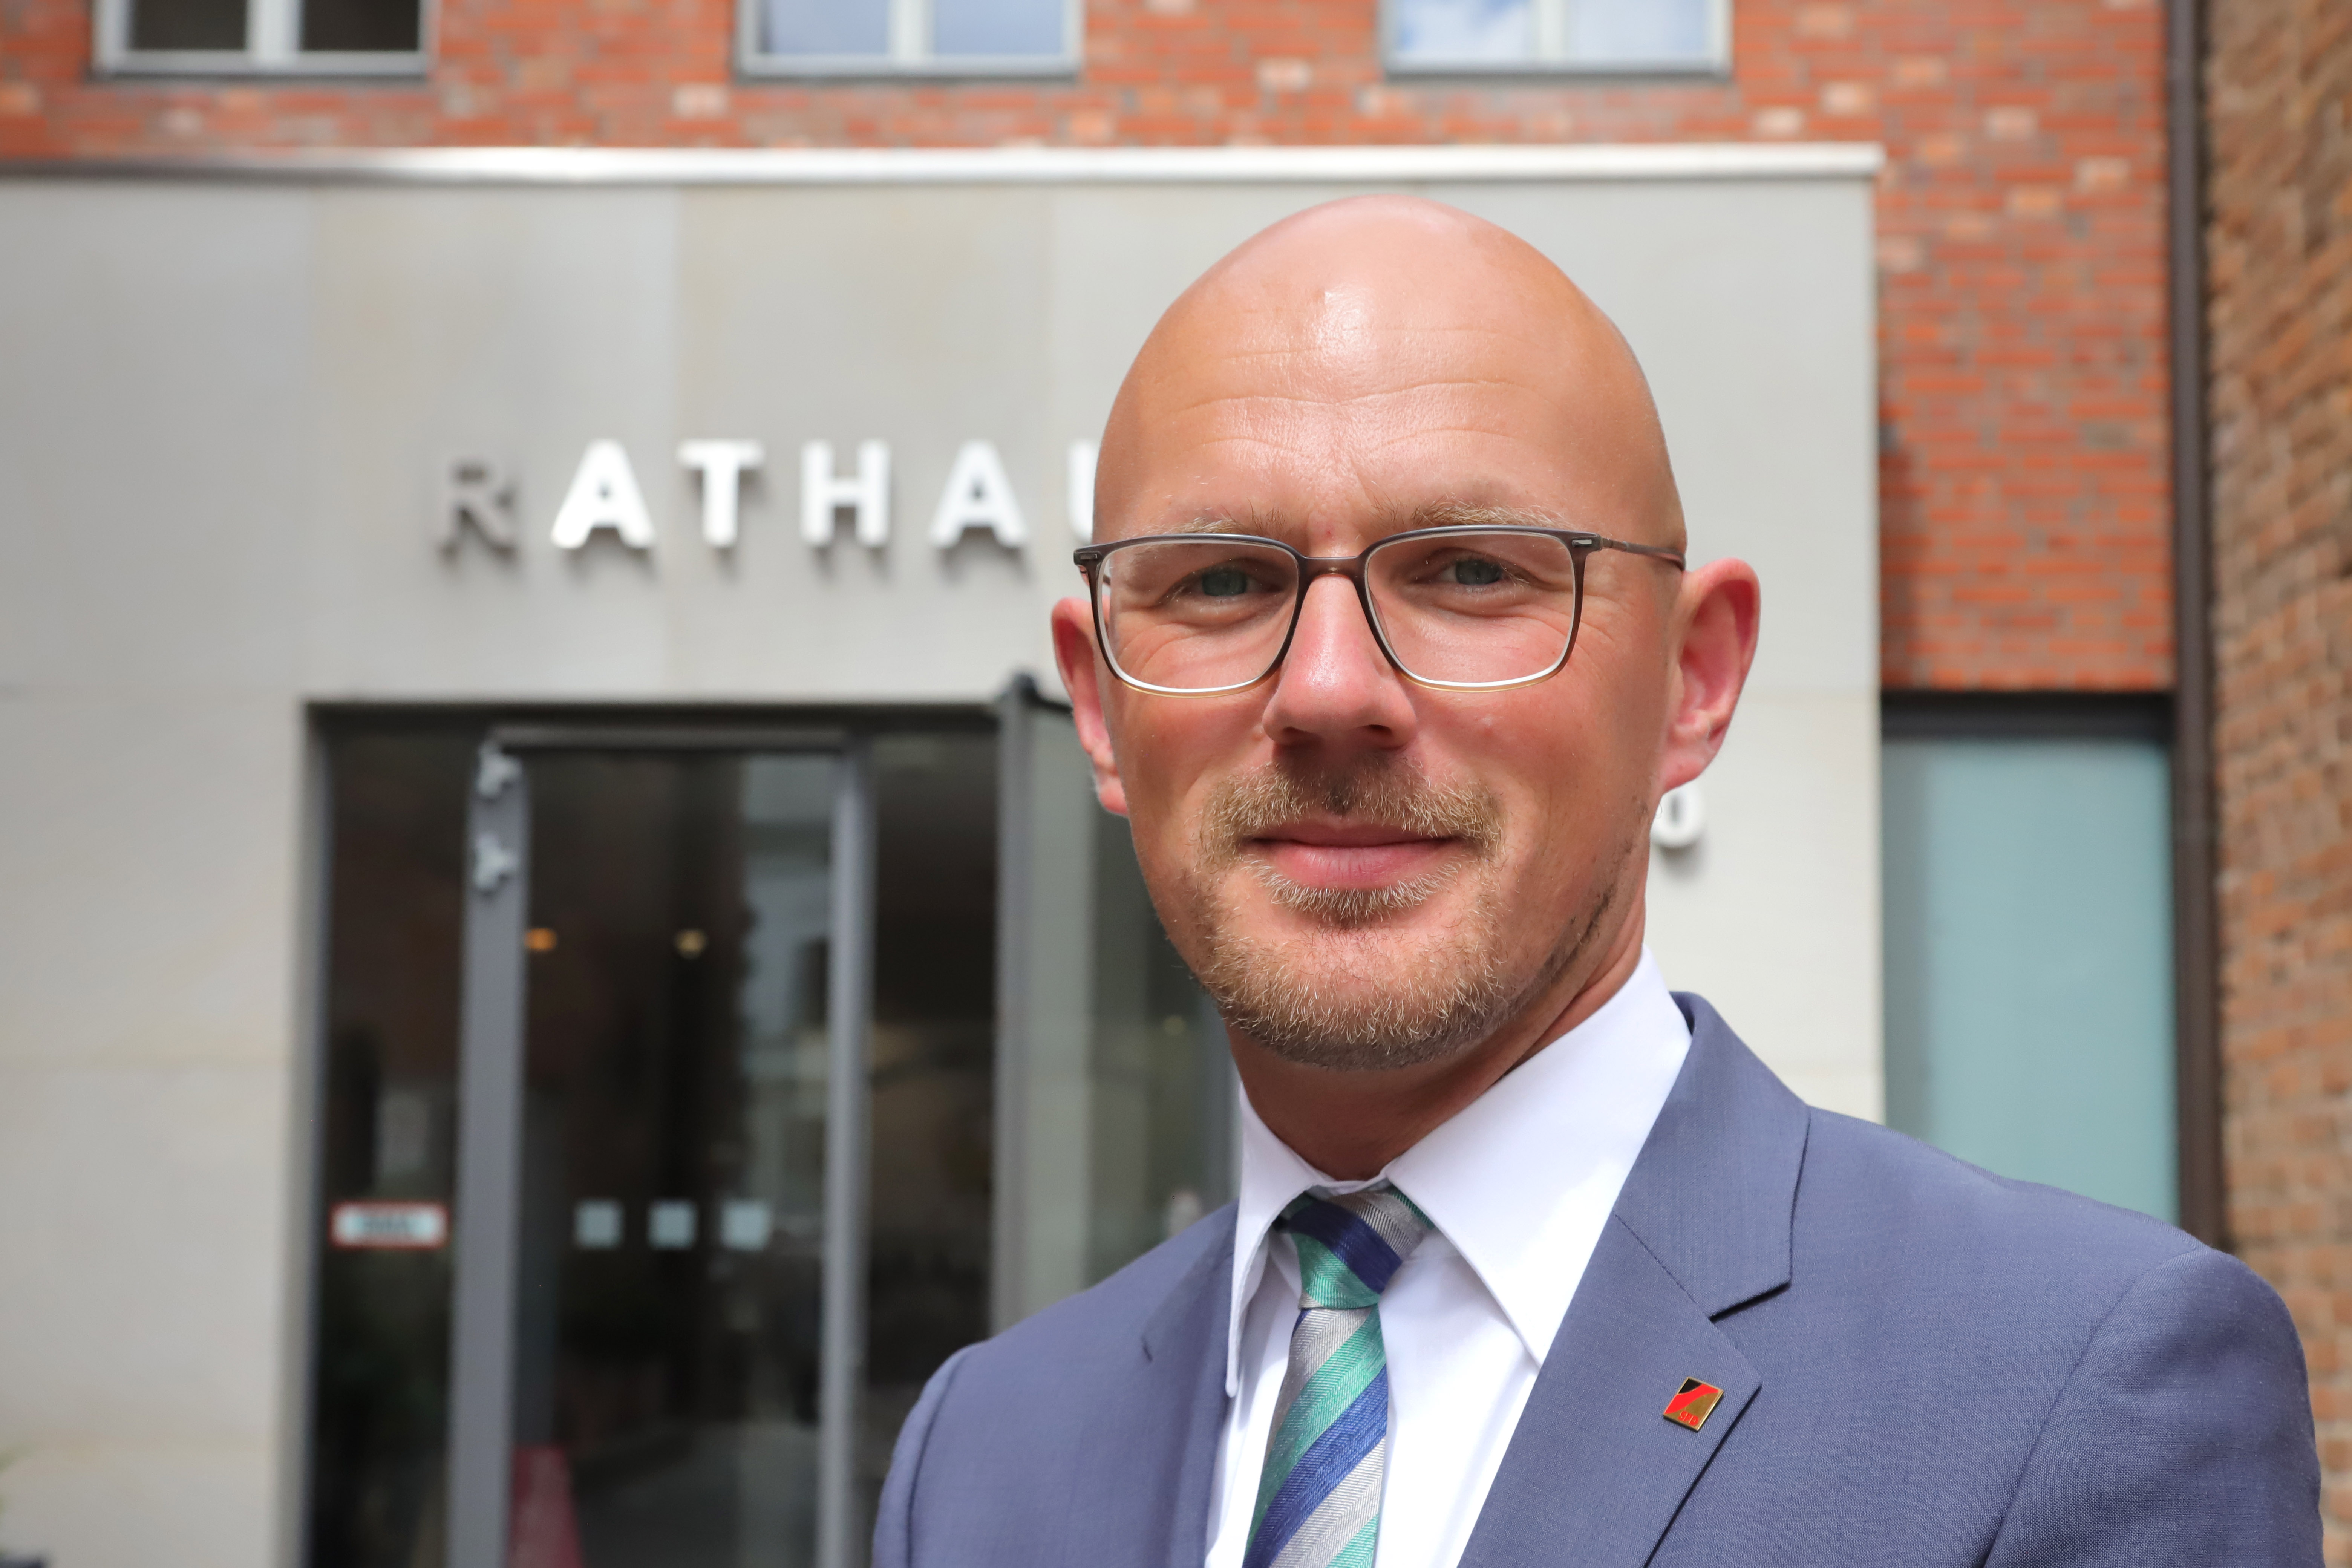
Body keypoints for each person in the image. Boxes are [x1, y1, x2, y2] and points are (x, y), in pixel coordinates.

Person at [873, 196, 2321, 1566]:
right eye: (1220, 583)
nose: (1328, 690)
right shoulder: (984, 1452)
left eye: (1470, 572)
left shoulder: (2074, 1389)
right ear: (1097, 706)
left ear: (1694, 681)